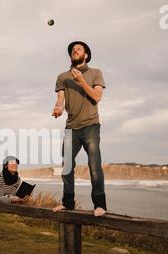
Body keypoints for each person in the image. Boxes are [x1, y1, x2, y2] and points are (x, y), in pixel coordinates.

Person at [51, 41, 107, 216]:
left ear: (86, 55)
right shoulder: (62, 77)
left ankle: (100, 205)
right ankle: (68, 203)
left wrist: (81, 80)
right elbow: (60, 100)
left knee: (94, 165)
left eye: (78, 49)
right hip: (71, 127)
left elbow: (97, 97)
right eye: (72, 50)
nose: (74, 51)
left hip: (91, 125)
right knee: (66, 166)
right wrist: (59, 108)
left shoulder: (96, 73)